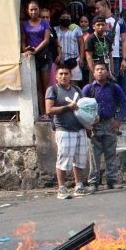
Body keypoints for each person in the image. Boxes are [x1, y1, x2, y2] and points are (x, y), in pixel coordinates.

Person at [82, 62, 126, 191]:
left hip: (110, 123)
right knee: (94, 155)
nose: (100, 71)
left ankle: (112, 181)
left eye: (102, 69)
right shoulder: (88, 89)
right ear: (93, 73)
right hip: (94, 125)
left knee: (111, 153)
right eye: (97, 69)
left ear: (107, 72)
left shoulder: (114, 87)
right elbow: (80, 107)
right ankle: (93, 183)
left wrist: (118, 120)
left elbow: (124, 103)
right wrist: (87, 124)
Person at [46, 64, 91, 199]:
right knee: (63, 160)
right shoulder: (53, 90)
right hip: (64, 129)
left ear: (70, 76)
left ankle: (79, 186)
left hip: (80, 129)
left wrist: (90, 123)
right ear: (56, 76)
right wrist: (68, 107)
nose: (63, 76)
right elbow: (49, 110)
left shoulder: (77, 89)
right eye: (61, 74)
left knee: (80, 160)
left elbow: (84, 107)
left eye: (66, 74)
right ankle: (62, 188)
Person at [95, 0, 126, 105]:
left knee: (116, 85)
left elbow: (125, 41)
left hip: (115, 58)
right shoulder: (96, 22)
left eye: (98, 8)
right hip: (100, 58)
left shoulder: (119, 21)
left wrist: (124, 59)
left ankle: (125, 111)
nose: (96, 10)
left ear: (105, 6)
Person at [22, 1, 52, 119]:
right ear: (27, 11)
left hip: (44, 56)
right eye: (31, 10)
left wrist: (36, 50)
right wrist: (26, 50)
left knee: (46, 86)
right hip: (32, 58)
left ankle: (48, 111)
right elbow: (23, 40)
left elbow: (46, 40)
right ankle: (42, 112)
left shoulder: (44, 23)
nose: (33, 12)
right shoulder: (25, 24)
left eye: (35, 9)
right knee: (37, 86)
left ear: (39, 10)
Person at [54, 10, 85, 87]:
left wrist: (81, 58)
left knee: (74, 84)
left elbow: (81, 44)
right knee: (61, 83)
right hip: (60, 61)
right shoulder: (55, 29)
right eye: (63, 17)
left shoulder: (76, 28)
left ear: (71, 19)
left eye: (68, 17)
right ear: (59, 19)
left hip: (74, 60)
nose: (65, 18)